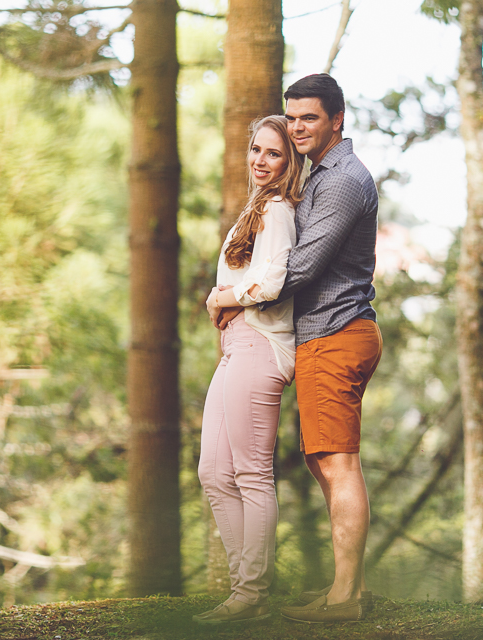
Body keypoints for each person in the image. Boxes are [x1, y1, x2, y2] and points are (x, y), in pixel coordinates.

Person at [266, 73, 383, 624]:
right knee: (326, 463)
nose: (297, 128)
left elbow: (305, 265)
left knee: (338, 464)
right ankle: (344, 589)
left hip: (336, 332)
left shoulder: (339, 180)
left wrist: (241, 292)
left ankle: (345, 599)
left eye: (308, 118)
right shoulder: (321, 175)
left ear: (337, 119)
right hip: (328, 335)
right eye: (291, 118)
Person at [193, 115, 304, 625]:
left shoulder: (278, 208)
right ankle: (245, 591)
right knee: (213, 471)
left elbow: (275, 280)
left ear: (289, 162)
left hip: (261, 345)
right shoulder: (255, 208)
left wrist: (225, 295)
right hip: (236, 346)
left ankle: (252, 593)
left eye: (274, 153)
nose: (261, 160)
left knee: (250, 474)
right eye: (256, 150)